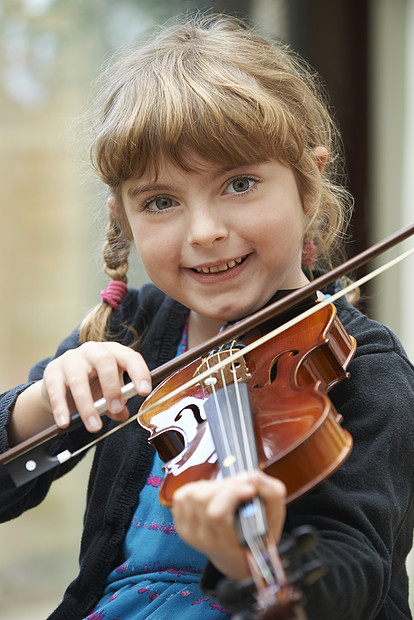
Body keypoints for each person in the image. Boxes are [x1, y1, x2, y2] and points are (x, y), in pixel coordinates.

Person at [1, 13, 413, 620]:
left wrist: (254, 559)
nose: (205, 232)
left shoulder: (362, 368)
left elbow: (356, 572)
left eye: (240, 183)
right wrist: (37, 406)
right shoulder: (133, 332)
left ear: (308, 185)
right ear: (124, 219)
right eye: (161, 202)